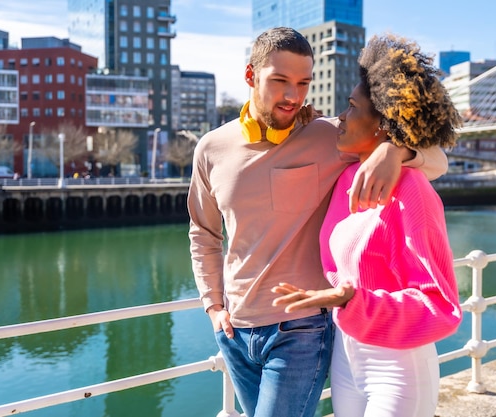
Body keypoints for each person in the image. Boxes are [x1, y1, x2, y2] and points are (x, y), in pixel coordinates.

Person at [188, 27, 448, 417]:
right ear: (250, 76)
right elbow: (203, 234)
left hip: (301, 329)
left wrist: (394, 150)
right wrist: (213, 306)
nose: (293, 96)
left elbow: (438, 160)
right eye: (280, 82)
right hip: (234, 330)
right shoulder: (210, 148)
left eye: (303, 83)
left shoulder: (331, 135)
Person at [272, 33, 463, 417]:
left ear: (383, 124)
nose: (340, 117)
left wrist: (352, 300)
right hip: (346, 356)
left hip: (398, 364)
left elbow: (441, 303)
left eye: (352, 107)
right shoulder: (347, 176)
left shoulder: (412, 191)